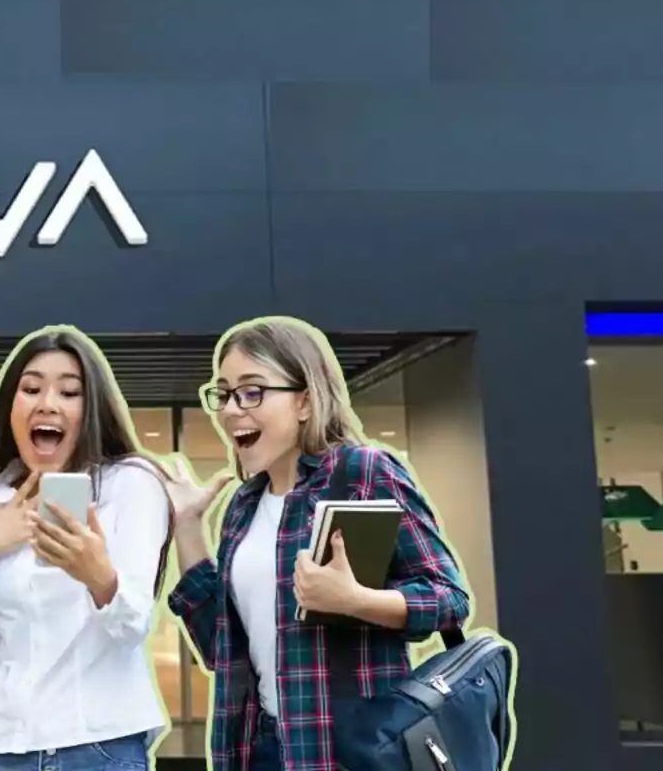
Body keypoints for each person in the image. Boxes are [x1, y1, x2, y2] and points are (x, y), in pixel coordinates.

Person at [165, 316, 471, 771]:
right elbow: (221, 651)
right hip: (259, 749)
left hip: (350, 752)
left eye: (252, 391)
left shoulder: (362, 473)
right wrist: (188, 528)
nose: (230, 410)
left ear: (305, 401)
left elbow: (449, 598)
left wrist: (357, 600)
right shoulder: (243, 506)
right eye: (224, 394)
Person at [0, 326, 173, 771]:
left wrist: (97, 576)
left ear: (92, 409)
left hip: (98, 743)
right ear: (11, 407)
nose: (47, 403)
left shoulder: (132, 485)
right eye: (30, 389)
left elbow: (133, 627)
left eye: (69, 392)